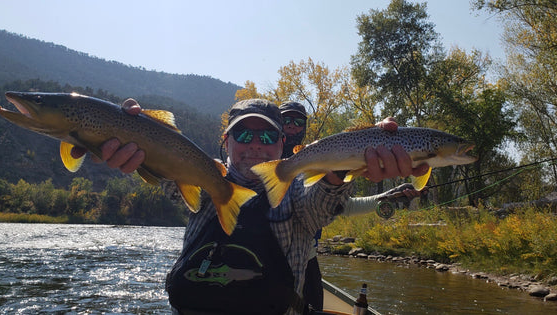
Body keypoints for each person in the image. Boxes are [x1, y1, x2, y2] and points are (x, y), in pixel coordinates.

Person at [73, 98, 429, 314]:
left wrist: (343, 167)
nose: (255, 144)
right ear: (225, 142)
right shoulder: (197, 172)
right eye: (243, 135)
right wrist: (127, 130)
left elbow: (320, 207)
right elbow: (163, 167)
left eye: (267, 136)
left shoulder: (298, 190)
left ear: (281, 143)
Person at [278, 101, 424, 312]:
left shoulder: (319, 157)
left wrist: (388, 196)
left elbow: (343, 206)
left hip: (307, 264)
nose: (292, 126)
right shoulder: (261, 159)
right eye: (286, 120)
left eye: (298, 121)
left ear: (305, 127)